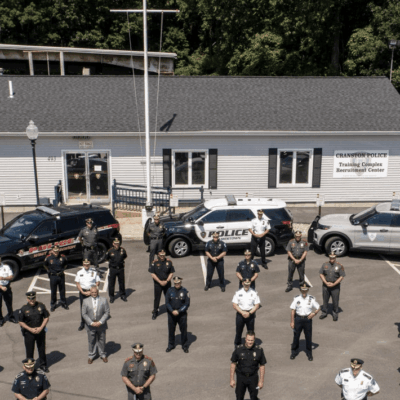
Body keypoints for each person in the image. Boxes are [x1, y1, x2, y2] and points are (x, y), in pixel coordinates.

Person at [18, 292, 50, 372]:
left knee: (41, 348)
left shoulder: (41, 306)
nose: (32, 300)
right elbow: (21, 322)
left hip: (40, 331)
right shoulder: (24, 309)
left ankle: (43, 365)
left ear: (35, 298)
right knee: (29, 350)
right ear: (27, 299)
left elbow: (46, 317)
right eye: (30, 299)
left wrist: (41, 327)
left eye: (33, 298)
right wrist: (30, 329)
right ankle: (30, 367)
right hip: (29, 333)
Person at [230, 331, 266, 400]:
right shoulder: (238, 349)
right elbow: (233, 364)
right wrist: (232, 379)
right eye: (248, 340)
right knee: (239, 397)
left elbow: (262, 366)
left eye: (252, 340)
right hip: (241, 377)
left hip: (253, 378)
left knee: (254, 397)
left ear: (254, 339)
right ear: (245, 339)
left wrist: (261, 381)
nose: (250, 342)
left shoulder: (259, 350)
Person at [289, 283, 320, 361]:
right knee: (296, 336)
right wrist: (292, 322)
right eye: (302, 290)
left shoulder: (311, 299)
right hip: (298, 319)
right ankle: (294, 352)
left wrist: (314, 313)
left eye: (305, 290)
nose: (304, 292)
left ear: (307, 290)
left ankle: (309, 353)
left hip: (307, 320)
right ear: (300, 290)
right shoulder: (296, 299)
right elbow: (293, 310)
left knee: (308, 337)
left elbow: (319, 307)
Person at [82, 285, 111, 364]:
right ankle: (91, 355)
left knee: (102, 340)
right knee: (91, 341)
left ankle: (103, 355)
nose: (94, 294)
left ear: (97, 292)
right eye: (92, 292)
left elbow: (107, 312)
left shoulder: (104, 300)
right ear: (90, 293)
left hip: (101, 324)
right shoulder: (85, 301)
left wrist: (100, 322)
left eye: (95, 292)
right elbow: (84, 314)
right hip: (90, 325)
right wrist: (91, 323)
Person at [232, 279, 261, 347]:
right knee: (238, 332)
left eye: (248, 284)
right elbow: (234, 305)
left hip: (250, 314)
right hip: (240, 314)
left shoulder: (254, 293)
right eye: (245, 283)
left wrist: (249, 313)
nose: (246, 285)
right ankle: (237, 346)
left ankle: (251, 346)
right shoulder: (238, 293)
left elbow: (257, 305)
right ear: (242, 283)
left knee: (251, 332)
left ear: (250, 283)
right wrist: (242, 312)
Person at [165, 276, 190, 353]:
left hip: (182, 315)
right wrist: (172, 311)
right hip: (171, 314)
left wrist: (179, 311)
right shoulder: (169, 291)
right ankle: (171, 345)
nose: (177, 284)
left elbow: (187, 304)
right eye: (176, 283)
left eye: (178, 283)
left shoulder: (185, 291)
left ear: (180, 282)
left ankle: (185, 346)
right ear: (174, 283)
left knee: (183, 330)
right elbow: (167, 303)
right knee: (171, 330)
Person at [75, 259, 101, 331]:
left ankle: (93, 322)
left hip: (92, 293)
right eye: (85, 265)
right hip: (83, 292)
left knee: (93, 307)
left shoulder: (93, 272)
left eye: (87, 265)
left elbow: (98, 282)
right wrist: (82, 291)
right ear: (83, 265)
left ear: (89, 264)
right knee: (83, 309)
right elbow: (77, 283)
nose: (86, 266)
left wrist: (92, 291)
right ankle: (83, 323)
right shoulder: (79, 272)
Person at [149, 249, 175, 320]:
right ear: (158, 255)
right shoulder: (154, 263)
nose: (162, 257)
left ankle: (170, 310)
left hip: (167, 283)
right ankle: (155, 311)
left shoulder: (169, 262)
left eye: (163, 255)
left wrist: (167, 281)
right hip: (158, 284)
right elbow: (152, 274)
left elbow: (171, 273)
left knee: (168, 297)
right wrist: (160, 282)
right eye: (161, 255)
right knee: (157, 298)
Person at [319, 253, 345, 321]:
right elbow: (321, 274)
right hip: (326, 286)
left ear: (335, 257)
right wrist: (326, 282)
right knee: (325, 300)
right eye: (331, 258)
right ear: (329, 257)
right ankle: (324, 312)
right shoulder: (325, 264)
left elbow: (341, 277)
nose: (332, 259)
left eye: (333, 258)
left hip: (335, 286)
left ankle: (335, 313)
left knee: (335, 300)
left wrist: (334, 284)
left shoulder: (339, 266)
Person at [43, 246, 69, 312]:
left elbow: (66, 264)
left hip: (61, 275)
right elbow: (45, 265)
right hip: (53, 276)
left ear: (59, 250)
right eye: (54, 251)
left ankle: (63, 302)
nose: (56, 253)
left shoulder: (63, 257)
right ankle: (53, 304)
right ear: (52, 251)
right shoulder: (48, 258)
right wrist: (48, 271)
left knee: (62, 290)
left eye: (57, 251)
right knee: (53, 291)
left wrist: (62, 270)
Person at [105, 238, 127, 303]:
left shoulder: (122, 250)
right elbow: (106, 258)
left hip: (120, 268)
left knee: (121, 282)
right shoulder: (110, 251)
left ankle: (122, 295)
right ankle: (111, 297)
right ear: (113, 244)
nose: (117, 245)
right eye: (115, 243)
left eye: (118, 243)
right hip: (113, 269)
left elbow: (125, 257)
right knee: (111, 283)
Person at [0, 256, 16, 326]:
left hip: (7, 287)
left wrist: (3, 278)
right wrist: (1, 287)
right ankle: (0, 319)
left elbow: (11, 276)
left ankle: (11, 316)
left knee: (9, 303)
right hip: (0, 288)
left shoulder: (6, 267)